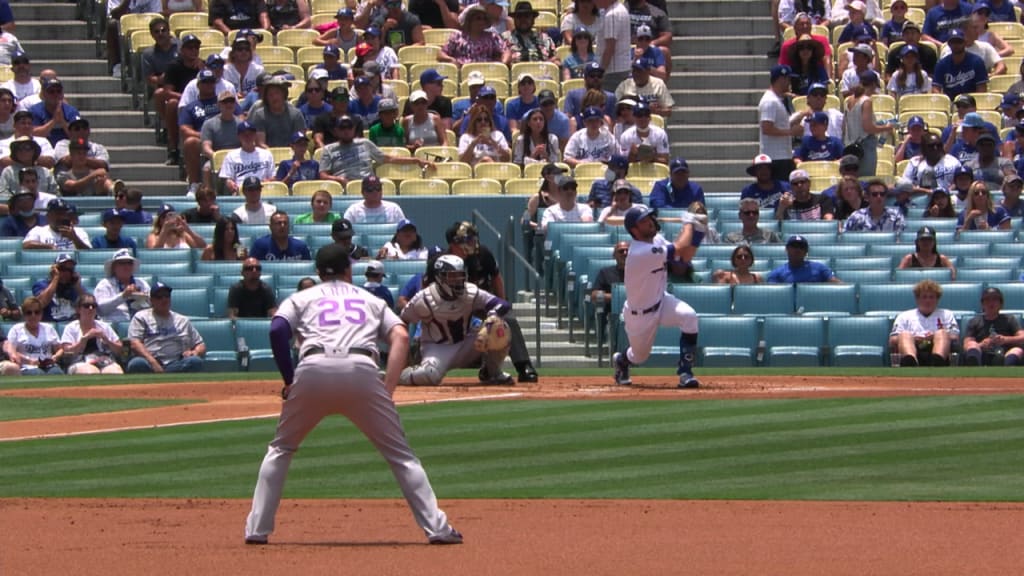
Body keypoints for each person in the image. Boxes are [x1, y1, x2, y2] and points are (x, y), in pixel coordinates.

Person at [244, 243, 462, 545]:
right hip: (362, 368)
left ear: (318, 272)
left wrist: (289, 378)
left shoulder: (302, 297)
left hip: (313, 367)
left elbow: (277, 330)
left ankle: (257, 530)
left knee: (281, 449)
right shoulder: (368, 298)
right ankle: (438, 529)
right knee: (401, 457)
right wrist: (388, 387)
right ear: (349, 269)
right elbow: (399, 335)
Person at [612, 205, 702, 388]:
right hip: (640, 314)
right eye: (644, 221)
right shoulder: (639, 252)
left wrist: (699, 233)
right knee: (639, 356)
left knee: (689, 316)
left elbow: (684, 256)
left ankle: (685, 372)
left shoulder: (657, 240)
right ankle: (622, 360)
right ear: (635, 230)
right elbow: (679, 248)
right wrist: (688, 224)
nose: (650, 223)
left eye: (650, 218)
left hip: (662, 300)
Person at [399, 253, 515, 386]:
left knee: (500, 327)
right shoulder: (424, 299)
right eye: (452, 276)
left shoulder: (470, 292)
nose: (458, 280)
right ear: (439, 277)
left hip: (468, 343)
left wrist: (493, 314)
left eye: (460, 275)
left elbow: (502, 304)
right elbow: (402, 322)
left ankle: (492, 372)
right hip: (438, 348)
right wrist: (403, 357)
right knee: (428, 375)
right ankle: (398, 376)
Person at [318, 115, 432, 185]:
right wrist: (338, 179)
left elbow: (389, 159)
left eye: (349, 127)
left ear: (354, 129)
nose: (346, 131)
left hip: (368, 185)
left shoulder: (365, 143)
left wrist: (416, 160)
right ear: (336, 131)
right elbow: (323, 175)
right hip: (345, 186)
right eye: (342, 128)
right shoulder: (329, 149)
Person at [126, 282, 206, 373]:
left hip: (176, 363)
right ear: (151, 300)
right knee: (137, 364)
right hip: (150, 363)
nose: (164, 299)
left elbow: (200, 344)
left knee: (195, 361)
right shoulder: (141, 317)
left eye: (166, 296)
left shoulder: (182, 320)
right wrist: (153, 362)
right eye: (159, 297)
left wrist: (195, 352)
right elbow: (134, 343)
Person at [889, 279, 958, 367]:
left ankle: (937, 363)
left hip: (938, 349)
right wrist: (914, 338)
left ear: (937, 299)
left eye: (931, 297)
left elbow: (954, 336)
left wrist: (932, 337)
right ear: (917, 299)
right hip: (913, 348)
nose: (928, 301)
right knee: (905, 334)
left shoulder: (946, 314)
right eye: (924, 297)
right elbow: (893, 340)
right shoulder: (904, 316)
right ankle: (911, 363)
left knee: (942, 333)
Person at [843, 71, 894, 177]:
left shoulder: (849, 100)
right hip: (865, 145)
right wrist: (886, 127)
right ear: (873, 84)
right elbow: (868, 127)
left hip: (850, 145)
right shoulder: (866, 101)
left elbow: (844, 126)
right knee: (866, 178)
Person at [60, 294, 124, 375]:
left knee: (115, 372)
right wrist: (84, 339)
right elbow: (67, 351)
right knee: (90, 372)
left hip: (103, 359)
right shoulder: (71, 328)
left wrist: (106, 340)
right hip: (79, 361)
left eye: (93, 306)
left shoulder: (104, 326)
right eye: (86, 306)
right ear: (78, 309)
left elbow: (120, 350)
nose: (91, 308)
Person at [760, 65, 803, 182]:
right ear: (781, 79)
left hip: (782, 156)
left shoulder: (776, 100)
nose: (789, 83)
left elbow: (780, 124)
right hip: (776, 158)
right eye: (788, 79)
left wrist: (799, 116)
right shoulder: (770, 101)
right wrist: (791, 132)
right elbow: (767, 128)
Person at [962, 287, 1024, 366]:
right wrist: (981, 344)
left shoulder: (1009, 319)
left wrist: (1005, 339)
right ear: (982, 304)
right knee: (972, 344)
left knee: (1017, 350)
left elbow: (1022, 337)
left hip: (1005, 353)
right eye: (987, 300)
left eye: (995, 299)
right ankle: (974, 368)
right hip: (982, 354)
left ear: (1001, 304)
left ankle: (1007, 369)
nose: (991, 303)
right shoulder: (974, 321)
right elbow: (966, 343)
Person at [4, 296, 63, 375]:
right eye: (29, 313)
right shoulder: (16, 330)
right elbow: (12, 352)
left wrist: (55, 357)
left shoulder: (49, 328)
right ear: (24, 315)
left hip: (49, 366)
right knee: (38, 373)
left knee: (57, 372)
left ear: (41, 314)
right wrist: (30, 361)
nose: (33, 315)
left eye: (37, 312)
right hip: (27, 366)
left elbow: (60, 349)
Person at [439, 4, 511, 66]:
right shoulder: (457, 37)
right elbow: (441, 54)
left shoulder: (492, 37)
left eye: (484, 19)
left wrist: (503, 63)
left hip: (487, 73)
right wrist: (451, 60)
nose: (482, 21)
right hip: (463, 73)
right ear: (469, 21)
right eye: (478, 18)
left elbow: (506, 51)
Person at [94, 248, 152, 323]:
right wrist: (123, 296)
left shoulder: (141, 283)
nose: (126, 266)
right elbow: (101, 310)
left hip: (140, 323)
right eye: (122, 263)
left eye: (129, 263)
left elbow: (152, 306)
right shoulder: (105, 284)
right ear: (114, 267)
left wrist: (144, 299)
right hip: (115, 324)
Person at [219, 121, 275, 195]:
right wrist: (230, 183)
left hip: (263, 191)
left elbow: (273, 176)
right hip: (241, 192)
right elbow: (227, 178)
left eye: (250, 134)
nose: (248, 137)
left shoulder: (266, 154)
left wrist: (268, 181)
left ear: (255, 135)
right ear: (239, 136)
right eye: (244, 135)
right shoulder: (231, 156)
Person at [932, 29, 989, 98]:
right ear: (949, 44)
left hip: (971, 103)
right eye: (953, 42)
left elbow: (981, 90)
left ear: (965, 43)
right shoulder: (942, 64)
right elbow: (935, 89)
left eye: (959, 42)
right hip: (950, 104)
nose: (956, 45)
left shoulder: (977, 62)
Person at [903, 132, 961, 196]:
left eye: (939, 145)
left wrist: (947, 191)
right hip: (922, 198)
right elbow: (905, 186)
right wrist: (927, 191)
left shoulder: (953, 161)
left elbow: (961, 181)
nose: (935, 148)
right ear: (924, 148)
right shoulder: (915, 163)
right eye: (931, 146)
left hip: (948, 199)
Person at [22, 198, 90, 251]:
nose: (61, 217)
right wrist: (49, 246)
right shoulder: (38, 231)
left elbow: (88, 253)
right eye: (57, 214)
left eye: (64, 214)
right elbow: (26, 245)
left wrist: (75, 238)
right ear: (48, 216)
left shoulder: (78, 232)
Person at [766, 235, 840, 283]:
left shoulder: (820, 268)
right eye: (794, 246)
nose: (797, 249)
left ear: (806, 251)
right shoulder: (777, 274)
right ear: (786, 249)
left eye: (801, 247)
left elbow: (836, 284)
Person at [30, 77, 79, 146]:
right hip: (42, 147)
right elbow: (33, 134)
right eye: (51, 91)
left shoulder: (71, 111)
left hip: (67, 147)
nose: (55, 94)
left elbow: (78, 136)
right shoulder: (34, 110)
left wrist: (62, 121)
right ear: (43, 94)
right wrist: (53, 121)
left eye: (58, 91)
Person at [594, 0, 632, 91]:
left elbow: (610, 48)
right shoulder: (620, 9)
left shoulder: (612, 15)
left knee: (609, 102)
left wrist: (601, 71)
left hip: (613, 71)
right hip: (620, 69)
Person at [342, 175, 406, 224]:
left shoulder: (393, 208)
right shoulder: (353, 210)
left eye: (378, 188)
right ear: (363, 192)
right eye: (370, 189)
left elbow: (404, 231)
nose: (375, 192)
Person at [590, 241, 628, 311]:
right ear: (614, 255)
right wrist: (616, 297)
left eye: (627, 251)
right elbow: (594, 296)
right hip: (612, 316)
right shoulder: (605, 273)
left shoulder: (640, 273)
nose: (625, 253)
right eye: (621, 251)